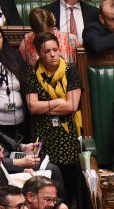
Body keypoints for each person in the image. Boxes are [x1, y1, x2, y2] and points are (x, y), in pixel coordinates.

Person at [24, 34, 81, 198]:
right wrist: (57, 102)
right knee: (47, 178)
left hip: (67, 135)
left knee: (69, 183)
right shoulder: (32, 75)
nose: (52, 54)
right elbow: (33, 106)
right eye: (47, 51)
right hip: (44, 135)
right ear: (39, 54)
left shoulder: (70, 72)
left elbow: (72, 105)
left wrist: (46, 105)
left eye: (55, 50)